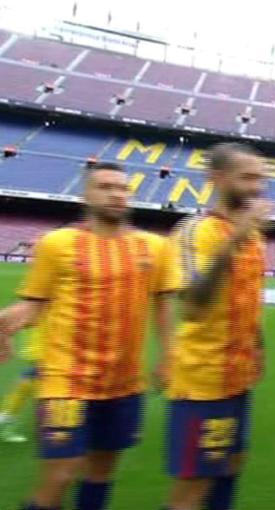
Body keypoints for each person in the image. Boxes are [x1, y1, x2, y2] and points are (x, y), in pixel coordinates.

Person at [0, 162, 176, 510]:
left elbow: (164, 305)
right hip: (66, 382)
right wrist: (6, 322)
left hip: (124, 383)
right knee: (61, 474)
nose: (116, 194)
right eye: (105, 186)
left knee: (102, 470)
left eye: (122, 188)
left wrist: (170, 357)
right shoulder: (56, 244)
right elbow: (33, 305)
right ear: (86, 193)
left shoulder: (155, 247)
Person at [162, 143, 271, 510]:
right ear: (217, 178)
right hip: (203, 381)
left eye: (261, 177)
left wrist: (260, 346)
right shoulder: (196, 231)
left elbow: (249, 298)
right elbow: (192, 306)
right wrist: (235, 240)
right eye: (248, 177)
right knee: (194, 486)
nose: (257, 187)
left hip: (238, 378)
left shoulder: (255, 237)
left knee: (229, 467)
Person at [0, 327, 41, 443]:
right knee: (33, 382)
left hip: (39, 351)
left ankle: (7, 416)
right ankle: (7, 417)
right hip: (42, 352)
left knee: (28, 381)